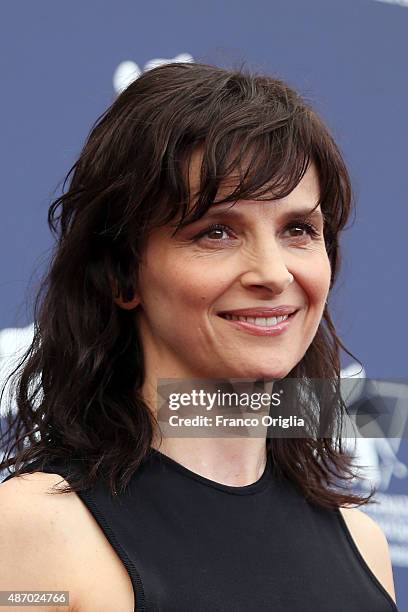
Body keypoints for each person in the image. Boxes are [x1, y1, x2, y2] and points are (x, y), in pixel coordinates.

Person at [0, 62, 398, 611]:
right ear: (121, 274)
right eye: (216, 231)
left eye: (299, 230)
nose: (275, 273)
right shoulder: (34, 531)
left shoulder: (364, 543)